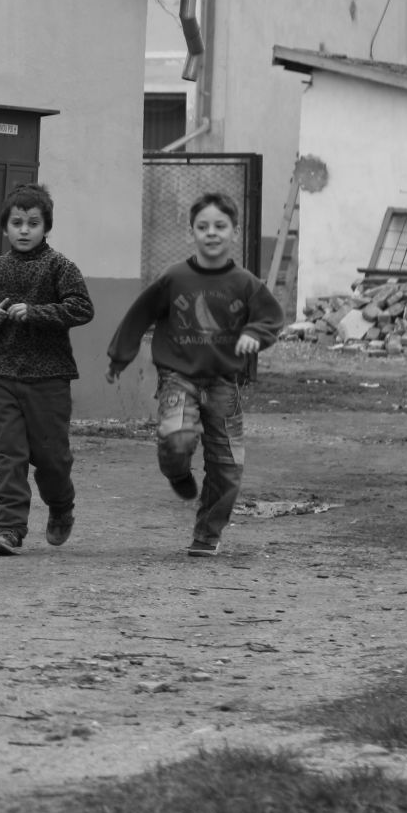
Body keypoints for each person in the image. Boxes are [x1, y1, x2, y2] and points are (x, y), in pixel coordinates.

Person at [106, 191, 284, 558]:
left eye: (220, 226)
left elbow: (270, 317)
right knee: (176, 439)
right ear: (192, 232)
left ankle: (207, 534)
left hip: (224, 384)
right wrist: (119, 358)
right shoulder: (175, 278)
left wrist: (254, 335)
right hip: (178, 377)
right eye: (203, 226)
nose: (212, 233)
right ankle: (177, 472)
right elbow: (140, 314)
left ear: (234, 231)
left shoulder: (245, 283)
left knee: (228, 467)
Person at [0, 183, 95, 556]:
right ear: (5, 227)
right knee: (10, 454)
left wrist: (36, 312)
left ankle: (61, 505)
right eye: (17, 222)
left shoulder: (60, 267)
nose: (24, 230)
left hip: (50, 378)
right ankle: (10, 528)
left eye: (33, 223)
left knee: (52, 459)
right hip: (5, 375)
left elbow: (82, 309)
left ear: (46, 228)